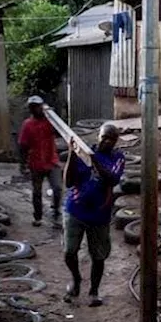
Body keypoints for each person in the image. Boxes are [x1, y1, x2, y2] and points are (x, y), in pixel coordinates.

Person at [62, 122, 125, 307]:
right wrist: (73, 154)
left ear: (116, 141)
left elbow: (112, 179)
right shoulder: (83, 152)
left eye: (111, 139)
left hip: (99, 215)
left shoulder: (117, 157)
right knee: (69, 251)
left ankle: (94, 291)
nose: (106, 141)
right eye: (104, 136)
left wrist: (93, 159)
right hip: (75, 210)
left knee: (98, 256)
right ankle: (76, 280)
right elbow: (68, 182)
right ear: (98, 135)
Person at [17, 95, 62, 228]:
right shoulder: (27, 125)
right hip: (36, 163)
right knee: (37, 192)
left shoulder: (50, 121)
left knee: (57, 188)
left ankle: (56, 213)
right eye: (34, 107)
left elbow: (60, 130)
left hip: (52, 161)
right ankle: (38, 217)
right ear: (31, 109)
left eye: (39, 106)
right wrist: (23, 164)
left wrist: (53, 115)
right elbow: (23, 146)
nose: (37, 109)